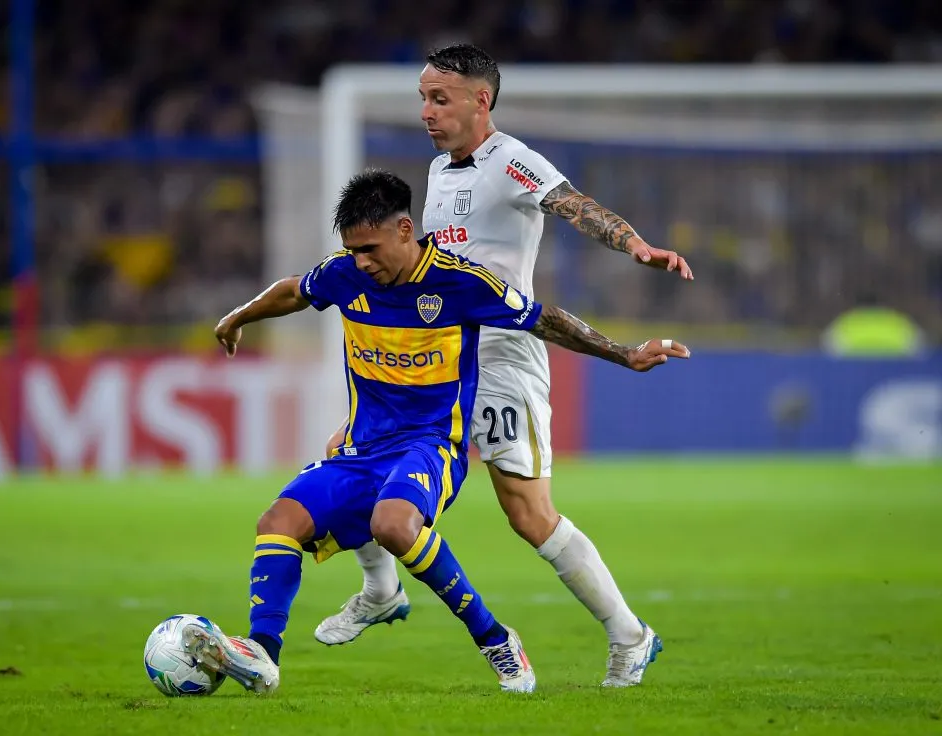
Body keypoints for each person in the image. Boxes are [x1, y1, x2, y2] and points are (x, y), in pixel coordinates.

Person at [186, 169, 690, 695]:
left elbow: (545, 319)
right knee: (277, 520)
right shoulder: (346, 275)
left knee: (395, 523)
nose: (362, 261)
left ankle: (495, 639)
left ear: (406, 229)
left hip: (430, 446)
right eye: (353, 250)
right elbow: (294, 291)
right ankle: (262, 654)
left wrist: (625, 353)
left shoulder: (460, 282)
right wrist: (237, 317)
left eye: (370, 248)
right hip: (363, 447)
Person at [315, 44, 693, 688]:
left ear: (479, 100)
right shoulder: (440, 170)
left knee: (528, 515)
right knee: (350, 462)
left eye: (440, 98)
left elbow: (571, 202)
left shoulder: (509, 159)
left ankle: (630, 634)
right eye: (423, 99)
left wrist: (634, 245)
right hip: (439, 355)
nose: (427, 112)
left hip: (501, 356)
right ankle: (380, 592)